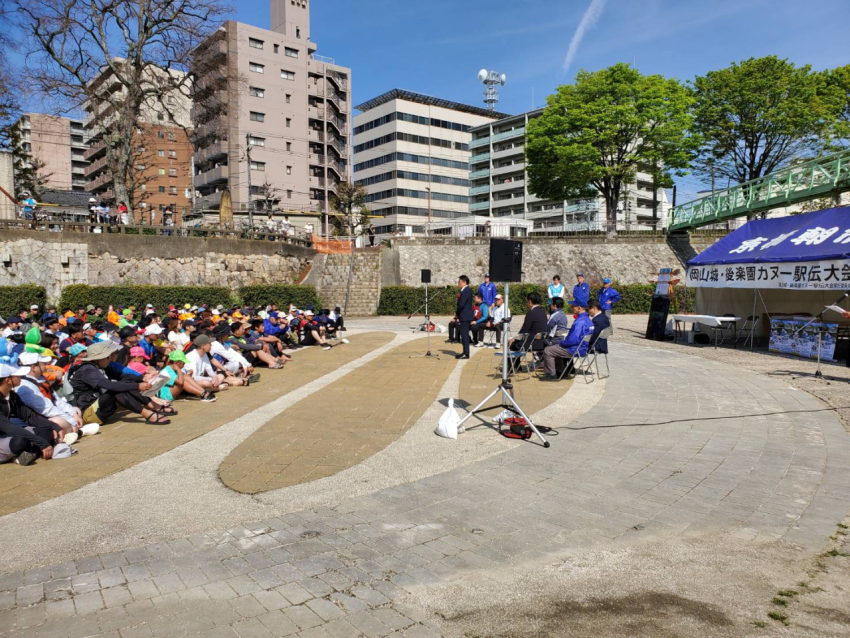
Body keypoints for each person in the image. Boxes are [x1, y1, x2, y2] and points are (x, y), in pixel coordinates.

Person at [67, 341, 171, 425]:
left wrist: (143, 378)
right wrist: (138, 386)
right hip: (87, 414)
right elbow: (109, 385)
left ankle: (152, 406)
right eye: (107, 357)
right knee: (116, 389)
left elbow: (124, 376)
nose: (110, 359)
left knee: (125, 383)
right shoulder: (87, 369)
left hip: (97, 409)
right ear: (99, 358)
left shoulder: (99, 366)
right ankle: (148, 414)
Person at [0, 364, 58, 466]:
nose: (22, 377)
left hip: (6, 435)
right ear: (7, 380)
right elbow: (8, 427)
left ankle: (29, 454)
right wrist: (41, 443)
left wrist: (55, 426)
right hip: (5, 436)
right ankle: (32, 452)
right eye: (18, 376)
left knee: (45, 431)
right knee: (21, 442)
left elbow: (30, 417)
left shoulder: (11, 395)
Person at [15, 351, 82, 439]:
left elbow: (56, 400)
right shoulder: (26, 386)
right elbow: (47, 409)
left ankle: (74, 432)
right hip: (36, 421)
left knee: (76, 410)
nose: (47, 365)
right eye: (43, 363)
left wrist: (73, 414)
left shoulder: (41, 378)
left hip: (48, 413)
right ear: (33, 367)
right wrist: (72, 421)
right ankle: (70, 435)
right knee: (60, 421)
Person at [540, 301, 594, 381]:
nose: (572, 308)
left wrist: (562, 343)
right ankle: (561, 372)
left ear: (579, 308)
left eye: (573, 306)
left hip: (574, 349)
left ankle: (551, 374)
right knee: (555, 348)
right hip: (582, 348)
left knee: (548, 350)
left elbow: (573, 340)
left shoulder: (580, 321)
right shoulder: (588, 319)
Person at [455, 275, 473, 360]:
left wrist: (457, 313)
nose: (458, 283)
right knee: (463, 334)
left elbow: (461, 304)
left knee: (464, 335)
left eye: (460, 282)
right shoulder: (464, 290)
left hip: (465, 315)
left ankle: (466, 353)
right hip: (464, 315)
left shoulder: (466, 291)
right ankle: (464, 352)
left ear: (464, 282)